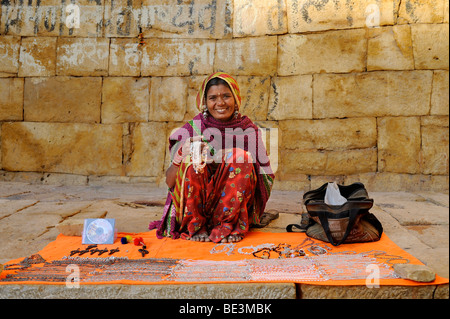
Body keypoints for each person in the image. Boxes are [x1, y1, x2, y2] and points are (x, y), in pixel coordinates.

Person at [149, 72, 275, 243]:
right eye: (213, 98)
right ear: (205, 102)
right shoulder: (194, 128)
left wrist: (230, 158)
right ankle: (196, 225)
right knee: (193, 158)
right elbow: (170, 182)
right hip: (197, 205)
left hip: (234, 206)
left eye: (226, 96)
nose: (220, 103)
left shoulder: (248, 130)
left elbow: (264, 178)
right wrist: (181, 155)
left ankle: (228, 225)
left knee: (241, 158)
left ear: (236, 99)